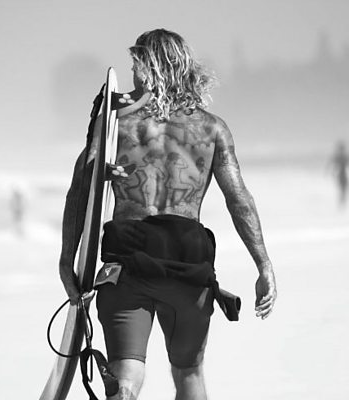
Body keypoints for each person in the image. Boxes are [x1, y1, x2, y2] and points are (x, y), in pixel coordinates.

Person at [59, 29, 277, 400]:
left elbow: (81, 191)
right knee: (189, 372)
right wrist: (264, 264)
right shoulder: (212, 128)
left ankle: (124, 392)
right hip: (188, 262)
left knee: (127, 373)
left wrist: (68, 259)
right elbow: (238, 198)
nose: (132, 74)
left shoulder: (115, 125)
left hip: (128, 261)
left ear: (150, 67)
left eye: (135, 65)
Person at [330, 140, 348, 208]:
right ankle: (341, 203)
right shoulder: (342, 157)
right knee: (342, 190)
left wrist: (332, 173)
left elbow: (332, 165)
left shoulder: (341, 157)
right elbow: (333, 165)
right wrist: (332, 173)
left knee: (343, 190)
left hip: (343, 174)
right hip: (342, 175)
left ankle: (342, 203)